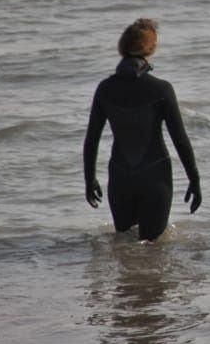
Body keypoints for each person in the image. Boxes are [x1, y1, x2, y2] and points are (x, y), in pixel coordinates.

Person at [83, 18, 202, 241]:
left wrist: (89, 179)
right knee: (153, 249)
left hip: (120, 178)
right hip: (155, 176)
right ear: (151, 48)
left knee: (126, 247)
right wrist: (194, 179)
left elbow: (91, 140)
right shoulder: (161, 89)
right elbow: (180, 139)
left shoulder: (105, 89)